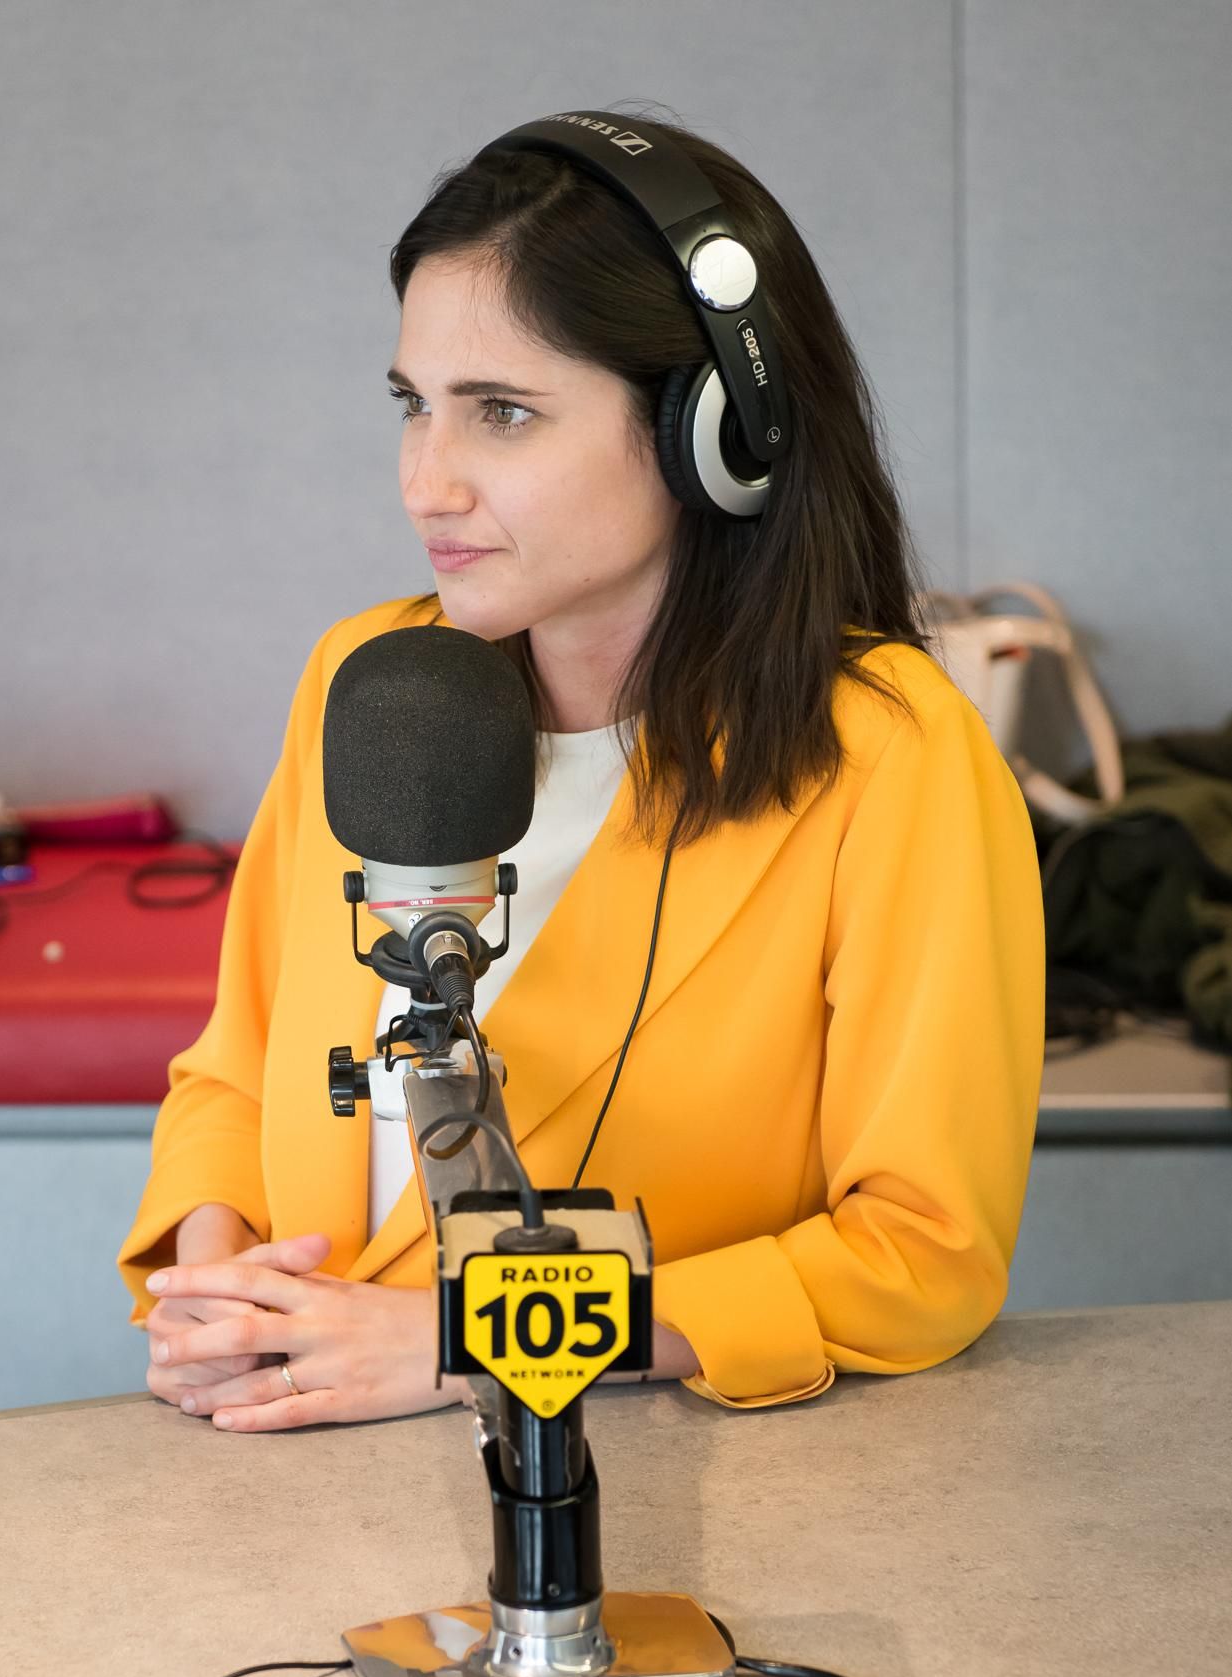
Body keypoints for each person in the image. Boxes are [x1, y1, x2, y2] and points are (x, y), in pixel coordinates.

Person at [118, 109, 1045, 1433]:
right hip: (294, 1466)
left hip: (658, 1491)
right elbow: (239, 1068)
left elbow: (921, 1254)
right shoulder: (367, 680)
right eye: (414, 406)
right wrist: (213, 1283)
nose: (426, 484)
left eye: (501, 414)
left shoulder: (888, 757)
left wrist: (465, 1341)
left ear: (710, 434)